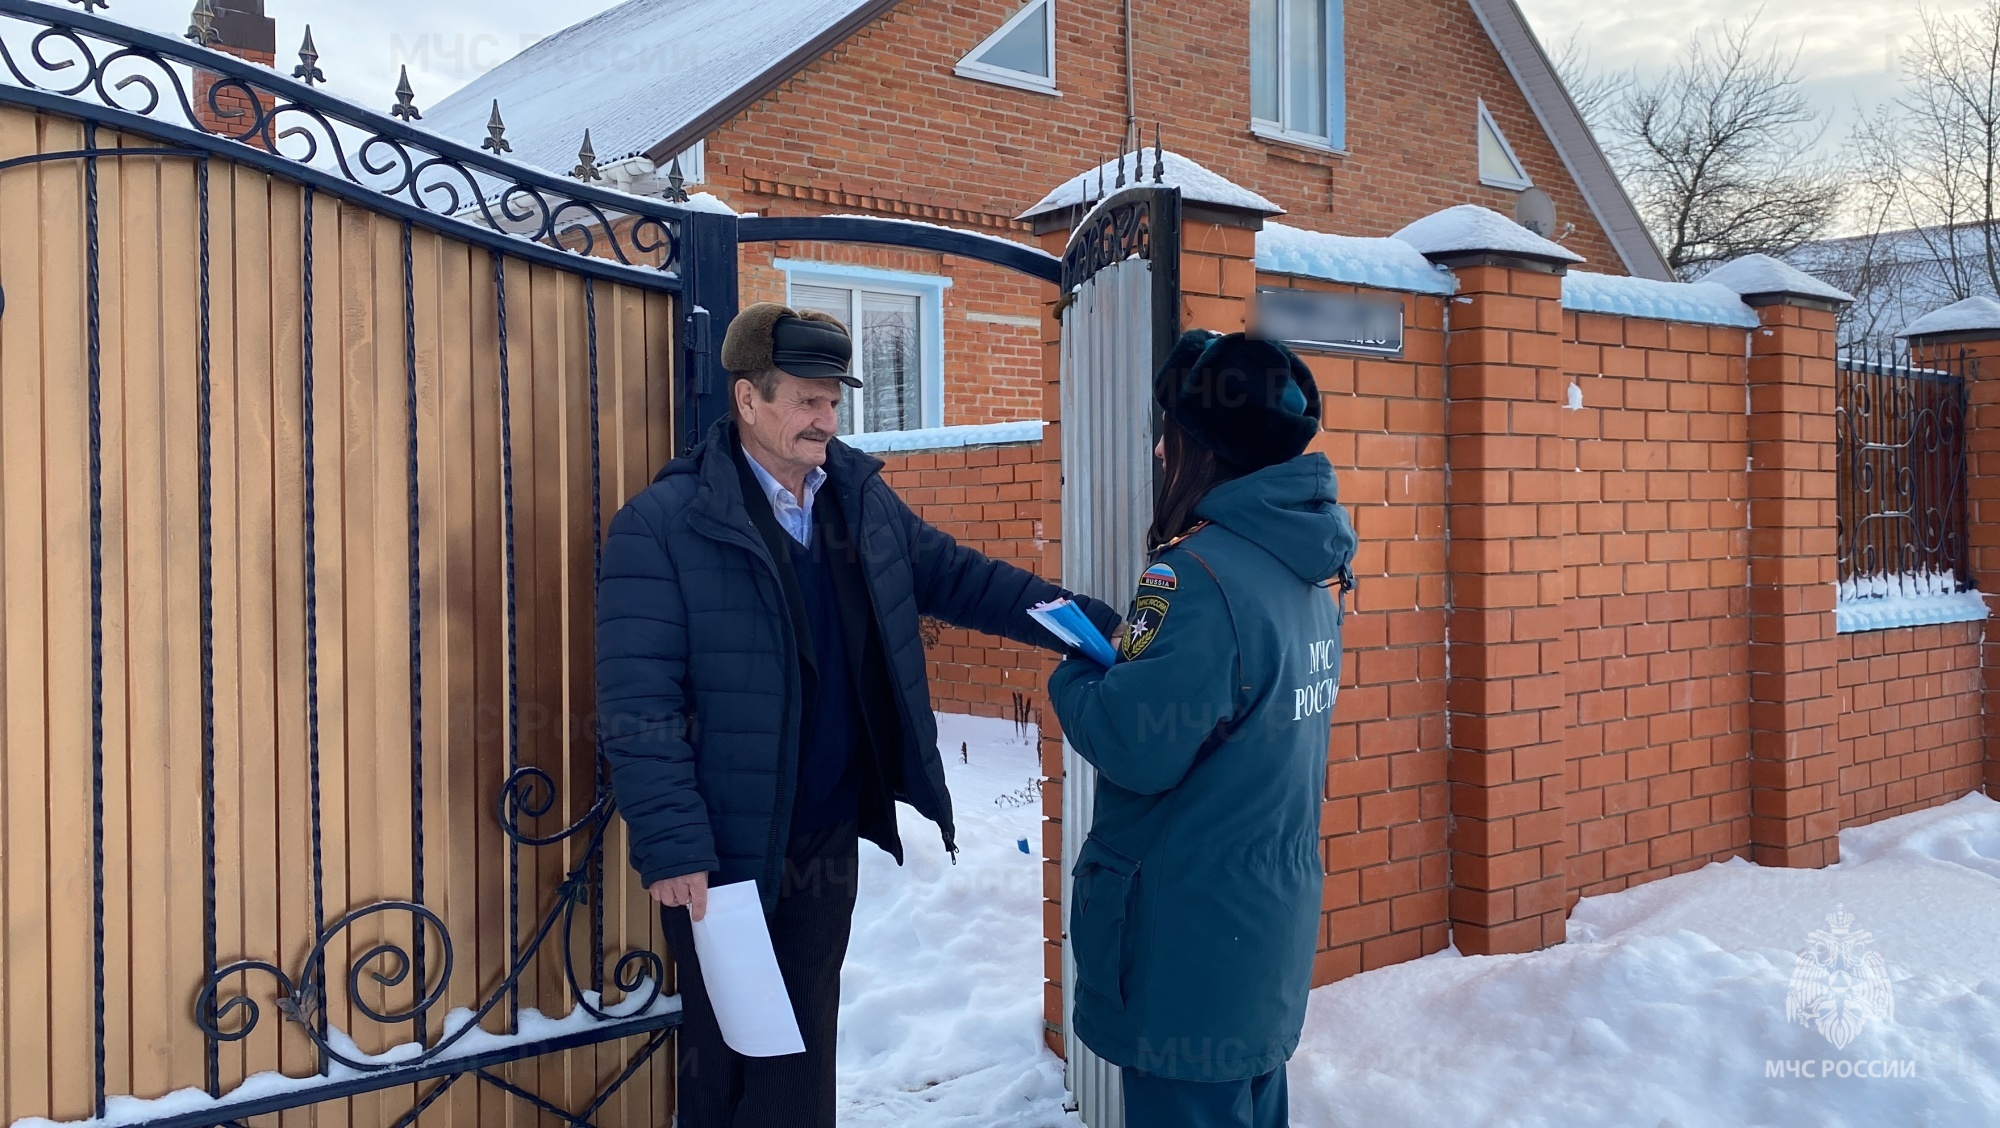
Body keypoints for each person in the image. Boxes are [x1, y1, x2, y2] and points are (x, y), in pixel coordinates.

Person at [595, 301, 1118, 1128]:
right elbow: (638, 701)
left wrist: (1097, 628)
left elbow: (969, 582)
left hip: (825, 831)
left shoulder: (860, 502)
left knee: (801, 1051)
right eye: (807, 400)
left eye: (834, 401)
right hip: (722, 847)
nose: (826, 419)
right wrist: (673, 846)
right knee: (722, 1057)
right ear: (748, 399)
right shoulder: (664, 525)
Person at [1047, 329, 1356, 1128]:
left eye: (1169, 432)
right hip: (1258, 929)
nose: (1159, 450)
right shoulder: (1306, 564)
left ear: (1207, 449)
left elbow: (1134, 745)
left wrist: (1077, 672)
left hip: (1186, 936)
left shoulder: (1195, 575)